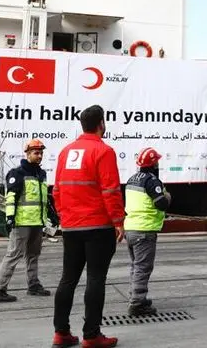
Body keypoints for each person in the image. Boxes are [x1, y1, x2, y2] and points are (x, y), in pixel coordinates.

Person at [51, 105, 125, 348]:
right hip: (98, 227)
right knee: (95, 278)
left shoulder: (65, 152)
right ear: (101, 124)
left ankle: (61, 333)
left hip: (71, 226)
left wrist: (65, 216)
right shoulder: (104, 151)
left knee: (68, 279)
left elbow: (57, 191)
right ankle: (91, 335)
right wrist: (118, 221)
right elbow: (111, 191)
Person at [0, 138, 54, 303]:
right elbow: (11, 197)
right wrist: (10, 218)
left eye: (41, 153)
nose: (39, 156)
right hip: (21, 222)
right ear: (28, 154)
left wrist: (50, 215)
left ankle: (34, 285)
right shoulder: (17, 173)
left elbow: (43, 199)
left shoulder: (41, 174)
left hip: (37, 223)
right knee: (13, 254)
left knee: (33, 255)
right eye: (36, 153)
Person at [123, 146, 171, 316]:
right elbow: (161, 203)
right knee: (143, 267)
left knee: (136, 266)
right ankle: (137, 304)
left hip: (130, 228)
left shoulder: (131, 179)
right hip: (144, 230)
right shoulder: (152, 181)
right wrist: (167, 196)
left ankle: (135, 297)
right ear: (154, 164)